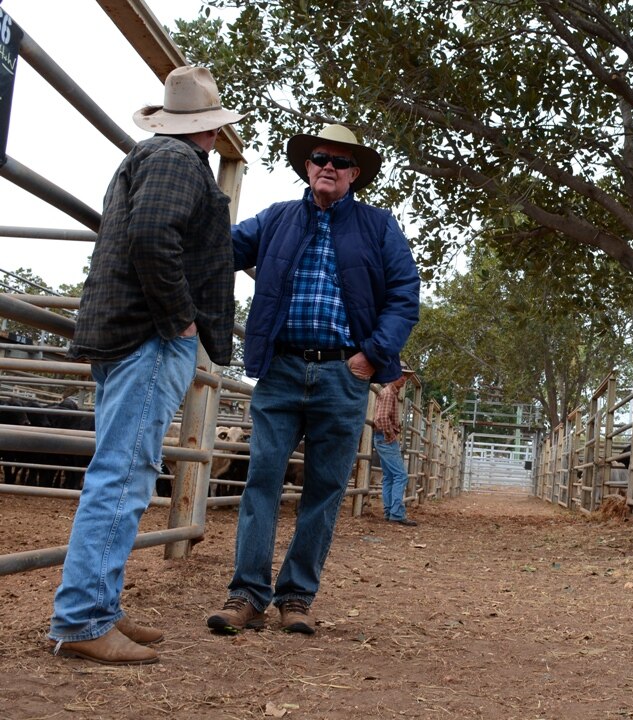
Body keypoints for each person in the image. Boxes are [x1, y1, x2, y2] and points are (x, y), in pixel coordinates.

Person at [49, 66, 244, 665]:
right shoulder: (179, 161)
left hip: (126, 330)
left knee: (121, 469)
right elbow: (155, 234)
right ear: (209, 129)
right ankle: (82, 621)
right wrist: (182, 318)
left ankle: (98, 608)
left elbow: (146, 231)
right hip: (148, 335)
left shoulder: (150, 157)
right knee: (126, 473)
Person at [207, 123, 420, 635]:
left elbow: (404, 295)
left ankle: (297, 596)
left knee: (323, 489)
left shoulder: (379, 227)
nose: (328, 166)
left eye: (340, 162)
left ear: (355, 175)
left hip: (343, 374)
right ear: (307, 167)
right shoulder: (276, 219)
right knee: (261, 479)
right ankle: (247, 596)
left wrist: (370, 357)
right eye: (320, 157)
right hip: (280, 369)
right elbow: (219, 252)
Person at [373, 363, 417, 526]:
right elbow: (382, 418)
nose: (404, 379)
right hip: (385, 438)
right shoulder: (389, 394)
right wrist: (391, 435)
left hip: (381, 437)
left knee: (390, 477)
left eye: (406, 376)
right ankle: (396, 513)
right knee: (400, 475)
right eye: (402, 375)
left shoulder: (389, 393)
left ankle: (390, 511)